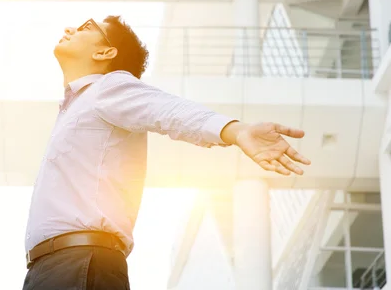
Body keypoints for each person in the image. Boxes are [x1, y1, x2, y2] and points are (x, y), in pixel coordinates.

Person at [22, 16, 311, 290]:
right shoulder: (76, 105)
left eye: (87, 26)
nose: (71, 28)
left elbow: (168, 111)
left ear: (105, 52)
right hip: (52, 268)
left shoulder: (107, 88)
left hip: (80, 264)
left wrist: (235, 130)